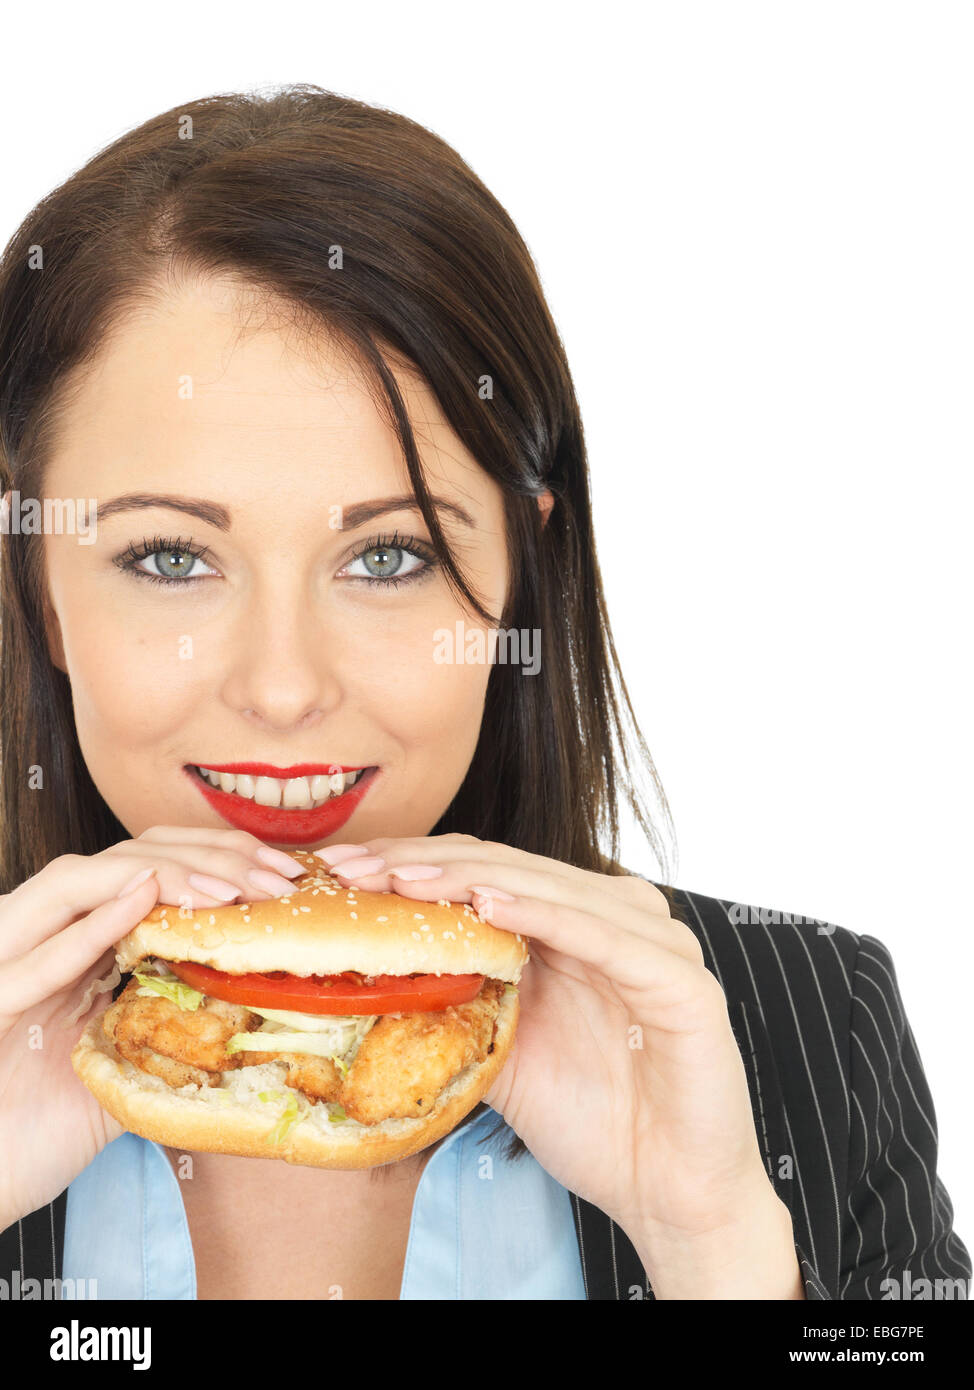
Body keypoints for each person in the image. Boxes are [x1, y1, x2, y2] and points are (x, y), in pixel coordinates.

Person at [0, 85, 968, 1302]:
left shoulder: (800, 1017)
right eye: (171, 558)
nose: (286, 688)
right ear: (39, 583)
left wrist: (714, 1245)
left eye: (389, 557)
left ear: (518, 577)